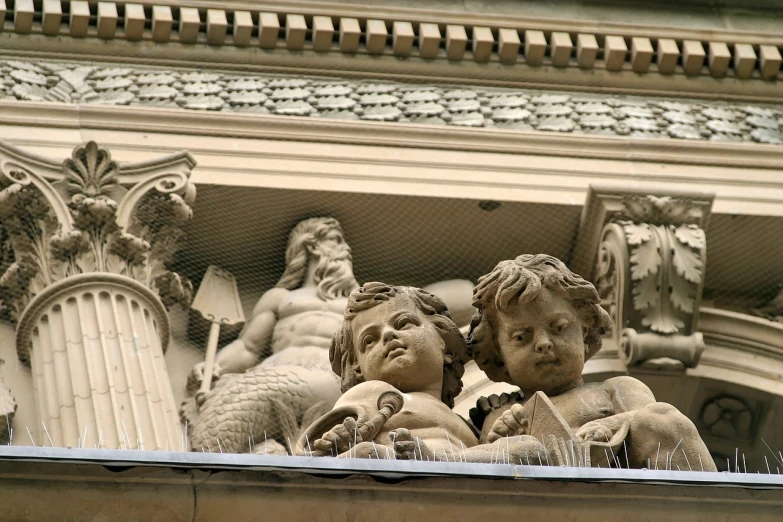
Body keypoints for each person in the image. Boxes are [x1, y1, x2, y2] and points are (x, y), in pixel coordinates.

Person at [468, 254, 717, 470]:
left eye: (559, 327)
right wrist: (503, 441)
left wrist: (610, 424)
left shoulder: (616, 389)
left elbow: (654, 424)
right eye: (521, 336)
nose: (543, 343)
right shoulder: (500, 415)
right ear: (498, 354)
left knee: (661, 418)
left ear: (585, 332)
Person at [305, 282, 546, 463]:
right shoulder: (371, 392)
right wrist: (338, 439)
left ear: (444, 342)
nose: (388, 335)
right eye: (370, 340)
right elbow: (313, 447)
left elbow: (491, 453)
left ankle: (441, 462)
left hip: (458, 481)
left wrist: (500, 436)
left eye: (403, 323)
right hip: (394, 473)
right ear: (358, 369)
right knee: (367, 453)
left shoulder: (468, 424)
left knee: (528, 447)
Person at [182, 217, 358, 454]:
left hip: (337, 384)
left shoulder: (359, 303)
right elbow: (248, 348)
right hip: (276, 375)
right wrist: (215, 367)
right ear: (312, 245)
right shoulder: (279, 298)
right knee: (228, 435)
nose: (346, 249)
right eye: (336, 240)